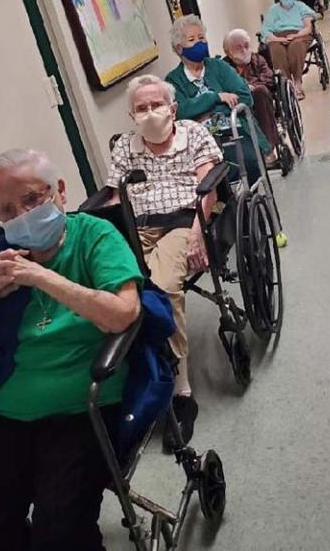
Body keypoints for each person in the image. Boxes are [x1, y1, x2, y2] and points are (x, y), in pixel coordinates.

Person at [0, 149, 144, 551]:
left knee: (61, 532)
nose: (21, 216)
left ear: (59, 191)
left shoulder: (95, 235)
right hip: (6, 410)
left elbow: (122, 315)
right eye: (6, 212)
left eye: (31, 200)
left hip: (84, 408)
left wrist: (43, 278)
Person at [106, 74, 222, 452]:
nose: (150, 113)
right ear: (131, 115)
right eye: (141, 108)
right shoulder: (125, 147)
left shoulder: (194, 134)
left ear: (172, 109)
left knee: (163, 288)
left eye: (156, 105)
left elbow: (209, 186)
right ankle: (134, 379)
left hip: (182, 220)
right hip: (136, 224)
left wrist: (197, 232)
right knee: (114, 289)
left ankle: (180, 390)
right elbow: (112, 197)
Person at [165, 14, 270, 183]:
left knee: (249, 163)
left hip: (233, 132)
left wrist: (205, 114)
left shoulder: (219, 66)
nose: (200, 43)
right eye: (192, 39)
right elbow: (181, 112)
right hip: (199, 142)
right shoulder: (173, 80)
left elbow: (244, 97)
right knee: (206, 177)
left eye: (201, 37)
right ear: (179, 48)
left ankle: (250, 205)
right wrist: (216, 98)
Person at [223, 28, 278, 165]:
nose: (244, 50)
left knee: (259, 91)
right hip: (239, 103)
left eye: (246, 45)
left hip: (261, 101)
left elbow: (269, 78)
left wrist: (252, 86)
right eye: (238, 47)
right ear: (228, 52)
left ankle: (268, 148)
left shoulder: (257, 59)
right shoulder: (223, 67)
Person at [261, 0, 317, 100]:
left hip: (300, 33)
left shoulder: (301, 6)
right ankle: (287, 83)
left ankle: (297, 83)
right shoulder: (273, 10)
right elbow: (266, 31)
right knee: (276, 50)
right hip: (278, 36)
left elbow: (308, 27)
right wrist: (279, 39)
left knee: (296, 46)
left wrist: (296, 35)